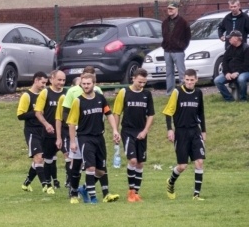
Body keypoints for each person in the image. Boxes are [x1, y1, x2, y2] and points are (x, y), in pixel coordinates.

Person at [67, 73, 121, 204]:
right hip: (85, 138)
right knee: (90, 168)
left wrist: (115, 130)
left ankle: (84, 189)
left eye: (88, 83)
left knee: (101, 171)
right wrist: (73, 141)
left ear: (94, 84)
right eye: (83, 84)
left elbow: (109, 114)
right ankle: (93, 197)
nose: (86, 86)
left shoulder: (100, 98)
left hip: (99, 137)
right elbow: (71, 123)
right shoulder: (78, 101)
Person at [58, 66, 102, 203]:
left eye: (90, 79)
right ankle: (73, 193)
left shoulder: (98, 92)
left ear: (94, 80)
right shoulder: (72, 92)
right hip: (78, 133)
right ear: (81, 79)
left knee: (98, 168)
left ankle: (86, 189)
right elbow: (66, 112)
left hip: (93, 134)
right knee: (76, 164)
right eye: (84, 81)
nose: (86, 85)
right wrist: (73, 129)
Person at [112, 68, 155, 202]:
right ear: (133, 78)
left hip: (141, 132)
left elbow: (151, 115)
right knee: (133, 161)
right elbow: (117, 113)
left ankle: (136, 193)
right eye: (139, 82)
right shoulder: (124, 92)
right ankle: (131, 192)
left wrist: (145, 131)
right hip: (128, 131)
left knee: (140, 163)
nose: (142, 85)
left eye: (144, 82)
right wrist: (115, 130)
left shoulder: (147, 94)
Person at [164, 69, 207, 200]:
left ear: (196, 80)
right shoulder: (177, 92)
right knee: (182, 166)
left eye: (192, 80)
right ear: (184, 79)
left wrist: (203, 131)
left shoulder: (198, 93)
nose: (189, 82)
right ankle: (170, 182)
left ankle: (196, 195)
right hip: (181, 132)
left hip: (195, 131)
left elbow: (201, 112)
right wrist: (170, 129)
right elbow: (168, 112)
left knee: (199, 161)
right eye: (187, 80)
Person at [17, 72, 53, 194]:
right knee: (39, 157)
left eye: (46, 83)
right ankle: (45, 185)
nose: (44, 85)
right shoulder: (27, 96)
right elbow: (20, 115)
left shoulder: (45, 95)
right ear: (36, 81)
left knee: (39, 159)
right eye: (43, 82)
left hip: (43, 130)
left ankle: (26, 183)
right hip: (32, 131)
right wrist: (36, 113)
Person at [34, 69, 67, 191]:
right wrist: (46, 124)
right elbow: (38, 112)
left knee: (68, 156)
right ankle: (48, 184)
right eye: (59, 80)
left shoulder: (67, 93)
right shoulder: (45, 93)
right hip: (49, 132)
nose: (61, 82)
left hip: (64, 132)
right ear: (52, 79)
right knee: (48, 159)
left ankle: (69, 182)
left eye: (63, 80)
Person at [161, 2, 191, 95]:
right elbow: (164, 35)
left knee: (182, 73)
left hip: (178, 51)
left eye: (172, 9)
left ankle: (184, 92)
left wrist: (182, 46)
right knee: (169, 73)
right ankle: (170, 93)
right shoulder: (165, 22)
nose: (170, 10)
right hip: (167, 51)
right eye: (168, 9)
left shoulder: (183, 22)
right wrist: (165, 45)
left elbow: (188, 36)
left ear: (177, 9)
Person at [214, 30, 249, 102]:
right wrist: (226, 72)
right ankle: (229, 99)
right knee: (217, 80)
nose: (229, 39)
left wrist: (237, 72)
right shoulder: (229, 48)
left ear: (236, 38)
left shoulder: (246, 48)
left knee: (241, 79)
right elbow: (224, 62)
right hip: (230, 72)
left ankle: (243, 99)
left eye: (230, 38)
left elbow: (246, 64)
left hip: (244, 71)